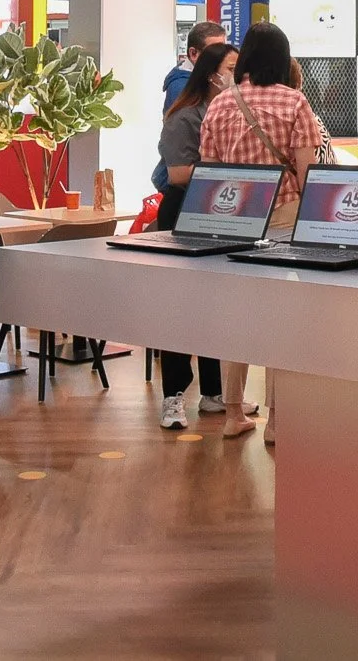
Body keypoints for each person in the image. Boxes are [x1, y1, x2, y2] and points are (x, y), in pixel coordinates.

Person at [200, 21, 324, 441]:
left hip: (234, 218)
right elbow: (309, 176)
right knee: (281, 316)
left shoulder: (219, 105)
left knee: (238, 315)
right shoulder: (295, 103)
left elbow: (209, 172)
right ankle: (278, 419)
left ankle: (233, 412)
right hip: (286, 217)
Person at [154, 42, 237, 430]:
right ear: (210, 73)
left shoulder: (229, 112)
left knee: (215, 306)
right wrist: (221, 167)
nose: (238, 77)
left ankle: (213, 393)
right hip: (183, 214)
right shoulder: (185, 116)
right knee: (177, 306)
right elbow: (177, 174)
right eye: (232, 68)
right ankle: (173, 397)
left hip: (216, 212)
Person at [163, 21, 228, 113]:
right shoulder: (182, 88)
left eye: (223, 50)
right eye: (214, 51)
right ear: (193, 53)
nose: (222, 56)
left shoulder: (205, 78)